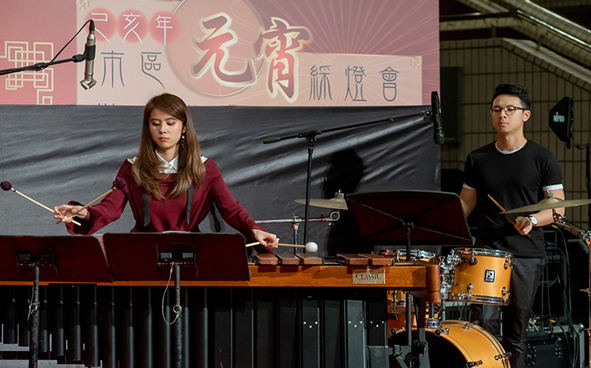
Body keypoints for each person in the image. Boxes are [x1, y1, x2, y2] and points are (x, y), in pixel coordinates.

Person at [54, 93, 278, 252]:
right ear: (148, 128)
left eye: (171, 123)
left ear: (183, 127)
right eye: (155, 123)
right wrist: (80, 213)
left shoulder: (204, 168)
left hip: (191, 253)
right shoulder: (132, 168)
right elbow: (108, 209)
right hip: (141, 253)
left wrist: (254, 230)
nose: (163, 129)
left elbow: (231, 209)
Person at [459, 83, 564, 368]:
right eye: (496, 109)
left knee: (516, 332)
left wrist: (531, 220)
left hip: (527, 254)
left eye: (509, 109)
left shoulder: (541, 157)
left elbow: (558, 208)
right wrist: (446, 222)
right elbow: (466, 202)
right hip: (488, 252)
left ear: (525, 115)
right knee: (484, 325)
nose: (502, 115)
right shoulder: (478, 158)